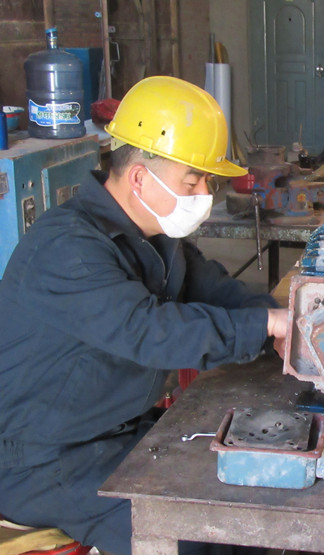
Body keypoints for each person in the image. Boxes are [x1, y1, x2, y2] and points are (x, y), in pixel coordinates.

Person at [0, 76, 288, 555]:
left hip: (115, 431)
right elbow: (150, 331)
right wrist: (265, 327)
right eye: (192, 181)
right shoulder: (67, 248)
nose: (203, 194)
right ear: (139, 178)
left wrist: (284, 323)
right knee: (196, 537)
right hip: (42, 459)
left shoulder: (153, 240)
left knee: (248, 498)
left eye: (207, 181)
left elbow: (216, 290)